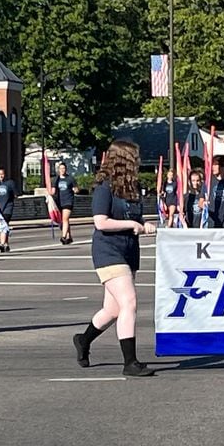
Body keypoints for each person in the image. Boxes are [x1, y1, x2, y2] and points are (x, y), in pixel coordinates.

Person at [72, 140, 156, 377]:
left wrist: (144, 225)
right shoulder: (104, 187)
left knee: (112, 309)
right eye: (135, 158)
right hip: (108, 251)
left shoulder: (132, 188)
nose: (138, 163)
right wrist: (131, 224)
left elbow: (135, 219)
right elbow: (101, 222)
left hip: (129, 250)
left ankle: (83, 339)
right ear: (124, 160)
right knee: (129, 302)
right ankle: (130, 362)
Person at [52, 162, 76, 243]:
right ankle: (69, 237)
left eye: (64, 168)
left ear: (66, 169)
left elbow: (76, 188)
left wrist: (75, 190)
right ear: (58, 170)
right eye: (61, 168)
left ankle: (63, 237)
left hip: (68, 201)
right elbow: (53, 191)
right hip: (59, 201)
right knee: (64, 220)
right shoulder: (56, 179)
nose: (62, 170)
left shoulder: (70, 179)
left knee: (65, 219)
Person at [0, 167, 16, 252]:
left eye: (2, 174)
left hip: (8, 208)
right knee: (3, 227)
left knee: (3, 225)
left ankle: (2, 244)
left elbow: (16, 194)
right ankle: (6, 244)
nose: (1, 176)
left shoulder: (10, 183)